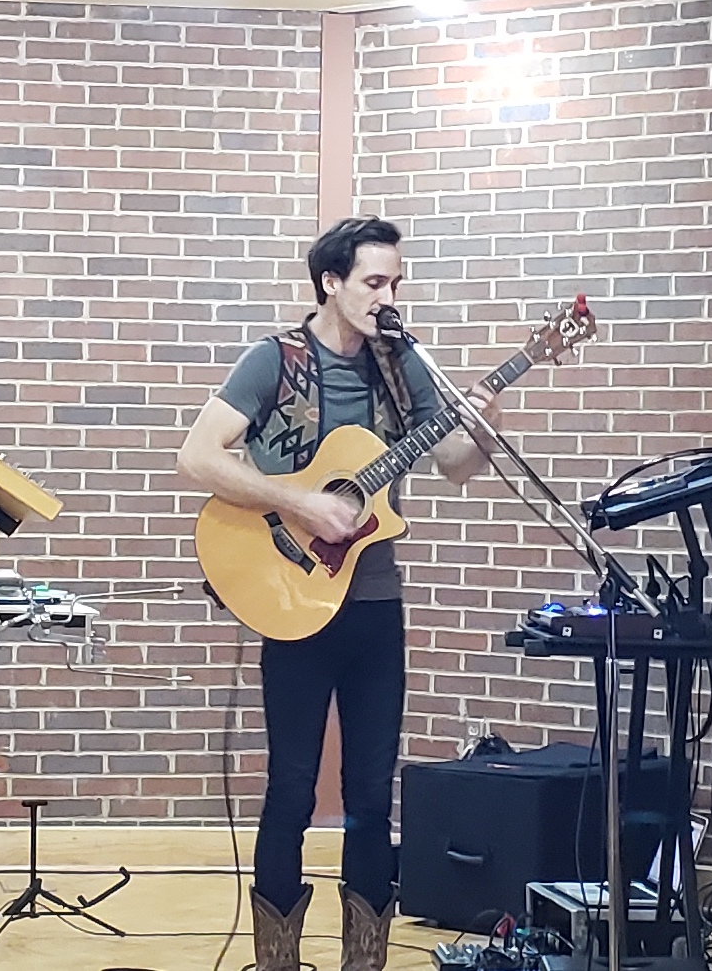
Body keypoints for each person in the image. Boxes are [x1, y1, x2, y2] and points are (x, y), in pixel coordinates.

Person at [178, 217, 503, 971]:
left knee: (368, 794)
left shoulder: (402, 365)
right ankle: (277, 960)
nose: (387, 298)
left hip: (373, 604)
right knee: (291, 785)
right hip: (290, 597)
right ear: (330, 281)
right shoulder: (276, 361)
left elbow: (455, 462)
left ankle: (365, 959)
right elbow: (197, 454)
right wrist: (298, 503)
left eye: (395, 283)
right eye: (373, 283)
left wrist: (486, 415)